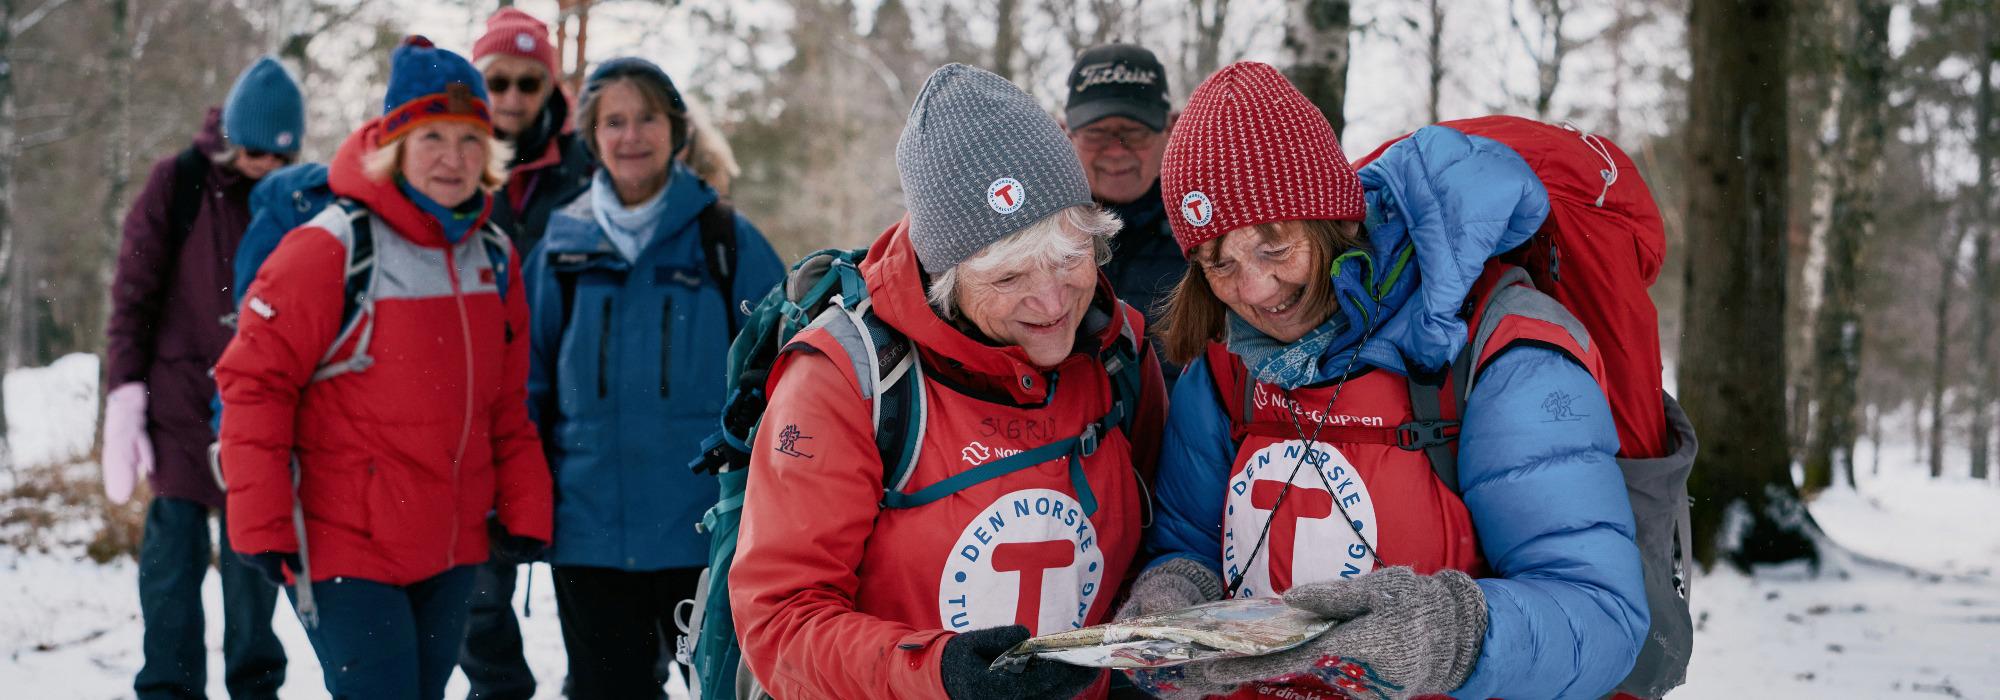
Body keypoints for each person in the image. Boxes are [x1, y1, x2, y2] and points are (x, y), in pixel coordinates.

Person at [1123, 62, 1648, 700]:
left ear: (1334, 218)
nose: (1254, 291)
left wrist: (1447, 631)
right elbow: (1186, 541)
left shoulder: (1499, 351)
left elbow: (1601, 615)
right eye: (1218, 262)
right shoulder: (1225, 364)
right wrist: (1173, 595)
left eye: (1275, 245)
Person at [728, 63, 1169, 700]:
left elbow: (1156, 539)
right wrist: (938, 673)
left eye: (1069, 258)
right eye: (1010, 277)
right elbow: (781, 623)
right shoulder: (847, 381)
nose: (1051, 302)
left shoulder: (1117, 350)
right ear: (947, 279)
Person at [214, 36, 553, 700]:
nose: (453, 159)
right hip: (346, 542)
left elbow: (505, 403)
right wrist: (260, 520)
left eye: (469, 140)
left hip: (451, 544)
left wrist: (523, 505)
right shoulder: (330, 247)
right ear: (394, 144)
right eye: (432, 137)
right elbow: (252, 382)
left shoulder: (494, 255)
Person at [522, 57, 784, 700]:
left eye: (646, 118)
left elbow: (787, 371)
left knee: (726, 689)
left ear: (676, 131)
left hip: (703, 531)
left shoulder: (726, 240)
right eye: (614, 120)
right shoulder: (560, 247)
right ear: (592, 136)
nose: (631, 135)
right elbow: (527, 388)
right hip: (587, 534)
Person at [104, 55, 301, 700]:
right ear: (230, 138)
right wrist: (126, 393)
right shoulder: (179, 183)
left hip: (255, 416)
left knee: (254, 578)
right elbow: (134, 293)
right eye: (254, 154)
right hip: (179, 411)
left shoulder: (295, 201)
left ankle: (255, 689)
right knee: (172, 574)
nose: (265, 169)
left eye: (280, 157)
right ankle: (169, 689)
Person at [458, 9, 594, 699]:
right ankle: (500, 689)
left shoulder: (587, 165)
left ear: (549, 88)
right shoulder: (451, 161)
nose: (511, 98)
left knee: (588, 573)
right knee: (474, 581)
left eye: (528, 82)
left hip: (570, 401)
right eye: (498, 81)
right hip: (475, 399)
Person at [1065, 43, 1186, 384]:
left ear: (1171, 129)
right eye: (1097, 134)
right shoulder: (1036, 235)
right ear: (1067, 135)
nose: (1116, 151)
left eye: (1135, 133)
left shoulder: (1208, 233)